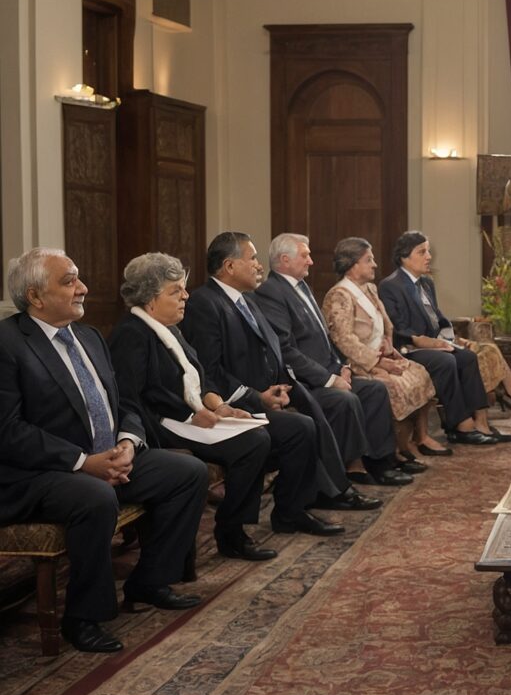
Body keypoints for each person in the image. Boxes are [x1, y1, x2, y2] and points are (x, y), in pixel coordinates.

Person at [0, 248, 207, 653]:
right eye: (70, 281)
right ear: (35, 296)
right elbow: (8, 431)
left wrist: (127, 443)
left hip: (106, 456)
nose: (84, 288)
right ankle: (83, 617)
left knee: (188, 473)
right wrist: (83, 463)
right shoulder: (8, 344)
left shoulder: (90, 337)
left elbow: (124, 403)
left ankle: (149, 582)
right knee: (94, 497)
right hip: (38, 473)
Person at [182, 231, 371, 531]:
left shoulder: (247, 300)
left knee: (310, 412)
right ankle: (294, 508)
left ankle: (308, 502)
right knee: (302, 428)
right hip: (236, 402)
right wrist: (258, 397)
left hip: (271, 389)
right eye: (253, 258)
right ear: (230, 267)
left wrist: (281, 387)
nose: (259, 266)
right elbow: (211, 371)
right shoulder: (205, 303)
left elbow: (273, 351)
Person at [109, 252, 285, 563]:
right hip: (160, 428)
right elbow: (131, 400)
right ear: (150, 299)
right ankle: (230, 532)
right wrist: (189, 416)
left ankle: (233, 527)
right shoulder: (132, 334)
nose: (186, 296)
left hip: (189, 419)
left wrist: (219, 407)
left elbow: (196, 380)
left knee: (259, 434)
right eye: (175, 291)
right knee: (252, 444)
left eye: (183, 289)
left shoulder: (170, 328)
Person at [255, 234, 412, 488]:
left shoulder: (301, 286)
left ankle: (380, 463)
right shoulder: (271, 293)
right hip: (303, 382)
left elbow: (328, 338)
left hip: (329, 370)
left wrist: (343, 367)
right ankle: (348, 472)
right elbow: (286, 350)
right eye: (305, 255)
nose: (311, 261)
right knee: (344, 400)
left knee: (374, 390)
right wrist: (329, 379)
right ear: (284, 260)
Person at [379, 230, 511, 449]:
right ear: (405, 256)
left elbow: (438, 318)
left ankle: (481, 423)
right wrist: (425, 341)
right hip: (410, 347)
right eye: (422, 251)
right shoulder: (390, 285)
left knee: (468, 357)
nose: (429, 256)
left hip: (434, 344)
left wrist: (450, 340)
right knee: (447, 362)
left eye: (428, 251)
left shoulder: (426, 283)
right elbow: (397, 327)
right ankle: (460, 425)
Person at [321, 237, 440, 460]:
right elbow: (344, 340)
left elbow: (385, 325)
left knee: (418, 373)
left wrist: (388, 347)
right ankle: (394, 450)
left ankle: (414, 439)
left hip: (382, 355)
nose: (375, 264)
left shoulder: (370, 289)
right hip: (358, 363)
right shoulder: (339, 295)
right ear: (353, 264)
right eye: (369, 260)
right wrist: (376, 364)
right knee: (395, 385)